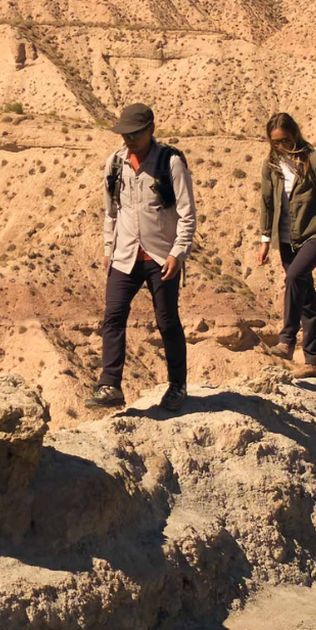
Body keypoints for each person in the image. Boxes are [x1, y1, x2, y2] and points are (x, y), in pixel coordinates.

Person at [88, 103, 197, 411]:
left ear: (151, 129)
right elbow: (110, 212)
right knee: (113, 317)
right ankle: (110, 384)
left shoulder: (170, 162)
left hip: (161, 257)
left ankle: (177, 385)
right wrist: (109, 249)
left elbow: (187, 215)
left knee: (167, 321)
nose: (129, 140)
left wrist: (178, 253)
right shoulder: (115, 163)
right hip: (124, 255)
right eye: (125, 134)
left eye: (135, 133)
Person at [255, 112, 316, 377]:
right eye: (274, 142)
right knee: (306, 298)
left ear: (295, 135)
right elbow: (267, 203)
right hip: (286, 239)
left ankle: (287, 340)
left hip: (314, 234)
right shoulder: (271, 165)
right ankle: (315, 361)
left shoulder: (315, 161)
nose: (280, 146)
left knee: (294, 276)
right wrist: (265, 240)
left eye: (284, 140)